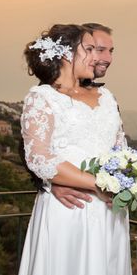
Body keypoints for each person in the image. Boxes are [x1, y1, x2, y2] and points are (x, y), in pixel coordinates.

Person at [10, 24, 133, 275]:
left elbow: (121, 150)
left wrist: (130, 178)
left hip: (109, 215)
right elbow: (39, 156)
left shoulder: (107, 98)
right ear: (67, 54)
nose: (96, 57)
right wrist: (93, 184)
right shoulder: (42, 98)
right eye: (89, 49)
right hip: (69, 212)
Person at [50, 22, 115, 209]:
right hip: (74, 203)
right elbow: (32, 148)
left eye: (110, 51)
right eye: (97, 49)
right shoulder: (52, 92)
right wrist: (51, 183)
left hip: (108, 206)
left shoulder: (107, 98)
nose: (106, 58)